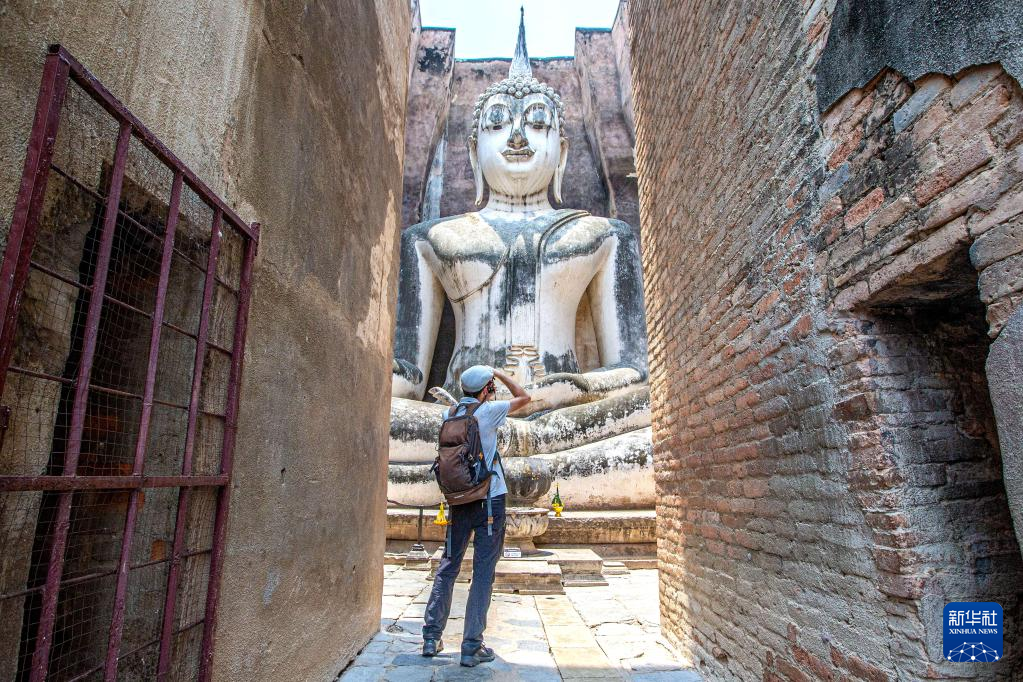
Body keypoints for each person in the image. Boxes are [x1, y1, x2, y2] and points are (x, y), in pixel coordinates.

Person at [421, 364, 531, 667]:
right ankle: (471, 645)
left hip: (459, 499)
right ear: (487, 389)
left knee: (448, 565)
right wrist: (500, 374)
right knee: (483, 571)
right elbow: (525, 397)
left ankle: (431, 636)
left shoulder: (449, 414)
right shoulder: (490, 411)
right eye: (490, 386)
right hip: (489, 500)